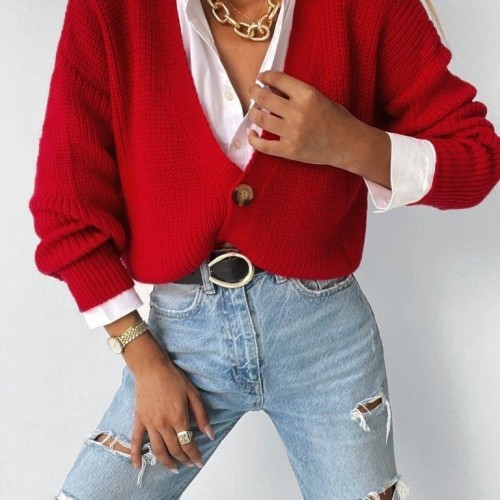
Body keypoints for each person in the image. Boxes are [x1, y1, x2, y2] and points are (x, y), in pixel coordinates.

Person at [29, 0, 499, 498]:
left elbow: (476, 158)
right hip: (178, 349)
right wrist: (144, 360)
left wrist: (346, 141)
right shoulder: (111, 11)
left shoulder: (367, 8)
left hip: (326, 343)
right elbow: (67, 210)